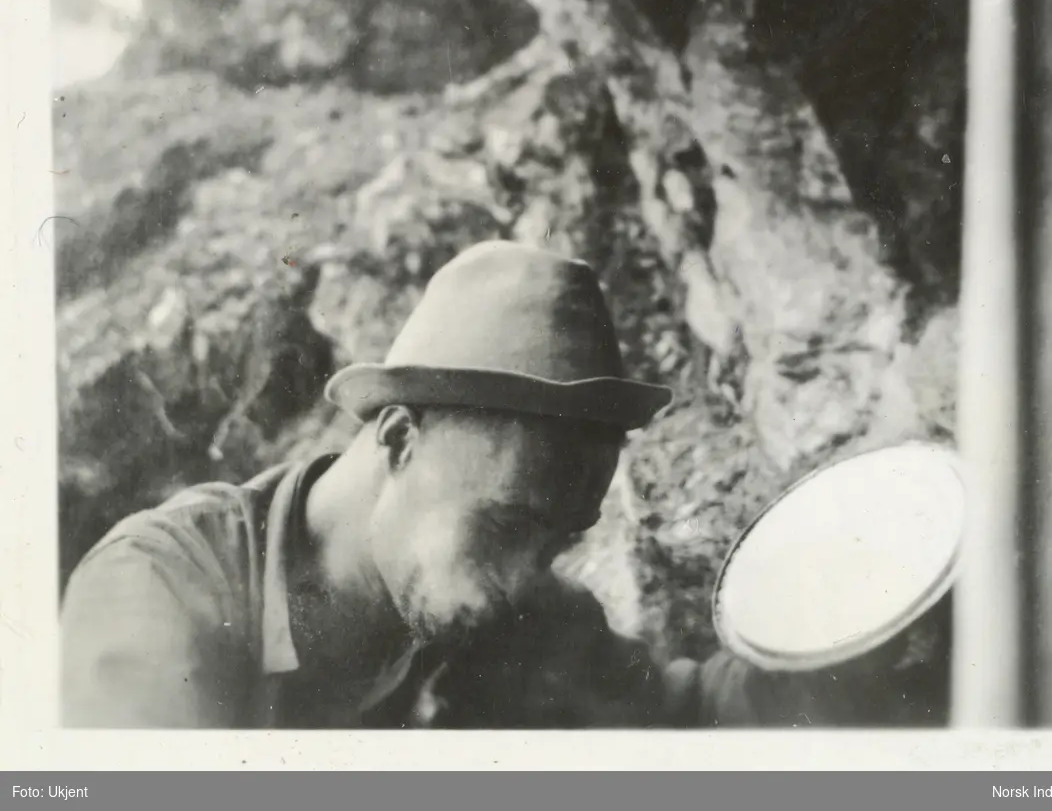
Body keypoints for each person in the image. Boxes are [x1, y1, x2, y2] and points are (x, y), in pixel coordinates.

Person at [60, 240, 943, 728]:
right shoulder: (161, 591)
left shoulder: (496, 599)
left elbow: (682, 717)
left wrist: (848, 621)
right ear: (401, 435)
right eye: (506, 521)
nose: (525, 574)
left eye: (560, 537)